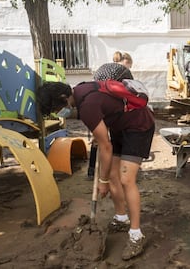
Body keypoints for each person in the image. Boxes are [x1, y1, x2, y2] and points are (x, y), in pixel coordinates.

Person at [36, 77, 155, 260]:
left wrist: (102, 181)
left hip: (138, 125)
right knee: (114, 175)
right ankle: (122, 218)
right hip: (119, 126)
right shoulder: (81, 89)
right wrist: (99, 135)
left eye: (56, 109)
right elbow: (106, 108)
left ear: (62, 96)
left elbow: (106, 147)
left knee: (126, 179)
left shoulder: (86, 108)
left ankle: (136, 235)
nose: (59, 113)